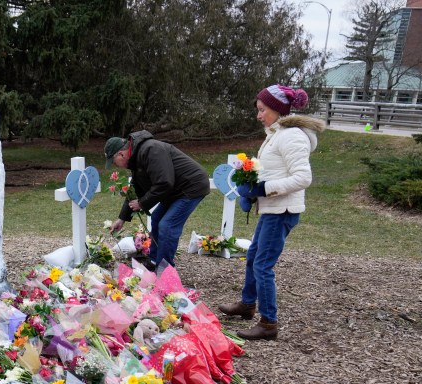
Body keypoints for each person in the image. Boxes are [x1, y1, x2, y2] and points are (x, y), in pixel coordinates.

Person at [218, 84, 325, 341]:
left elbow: (303, 177)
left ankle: (268, 323)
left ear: (277, 109)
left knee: (263, 264)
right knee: (254, 256)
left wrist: (264, 188)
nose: (258, 115)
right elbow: (273, 170)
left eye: (262, 109)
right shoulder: (277, 133)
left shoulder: (291, 136)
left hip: (282, 210)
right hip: (272, 208)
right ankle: (247, 305)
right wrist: (252, 188)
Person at [104, 131, 210, 271]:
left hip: (191, 186)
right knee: (156, 217)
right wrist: (122, 218)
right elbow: (136, 189)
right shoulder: (137, 156)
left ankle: (165, 270)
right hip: (176, 190)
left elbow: (164, 183)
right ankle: (154, 261)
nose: (115, 166)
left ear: (121, 154)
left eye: (114, 162)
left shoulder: (151, 150)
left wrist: (141, 203)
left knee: (167, 225)